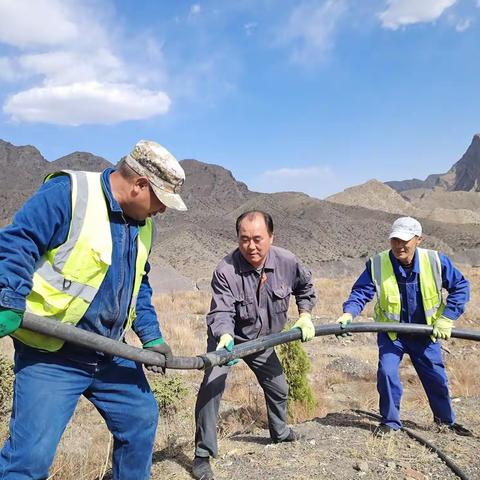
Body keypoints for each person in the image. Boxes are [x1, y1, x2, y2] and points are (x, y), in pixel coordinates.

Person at [0, 140, 187, 479]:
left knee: (140, 418)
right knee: (29, 460)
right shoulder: (68, 195)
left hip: (109, 351)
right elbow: (17, 243)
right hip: (52, 351)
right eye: (160, 201)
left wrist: (151, 336)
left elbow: (138, 286)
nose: (161, 211)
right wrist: (8, 299)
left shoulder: (144, 226)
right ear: (140, 185)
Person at [192, 210, 316, 480]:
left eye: (258, 239)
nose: (251, 246)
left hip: (264, 340)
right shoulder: (225, 270)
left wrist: (305, 315)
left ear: (271, 237)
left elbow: (305, 287)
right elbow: (222, 312)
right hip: (228, 341)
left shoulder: (287, 261)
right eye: (244, 239)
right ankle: (202, 454)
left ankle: (280, 433)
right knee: (211, 390)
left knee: (279, 387)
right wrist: (225, 336)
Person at [336, 216, 472, 436]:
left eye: (405, 241)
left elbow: (461, 287)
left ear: (419, 239)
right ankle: (390, 423)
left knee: (436, 377)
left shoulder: (436, 261)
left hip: (426, 333)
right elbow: (361, 292)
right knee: (387, 373)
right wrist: (349, 313)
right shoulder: (378, 263)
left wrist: (447, 317)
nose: (399, 246)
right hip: (393, 335)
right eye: (395, 240)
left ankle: (445, 422)